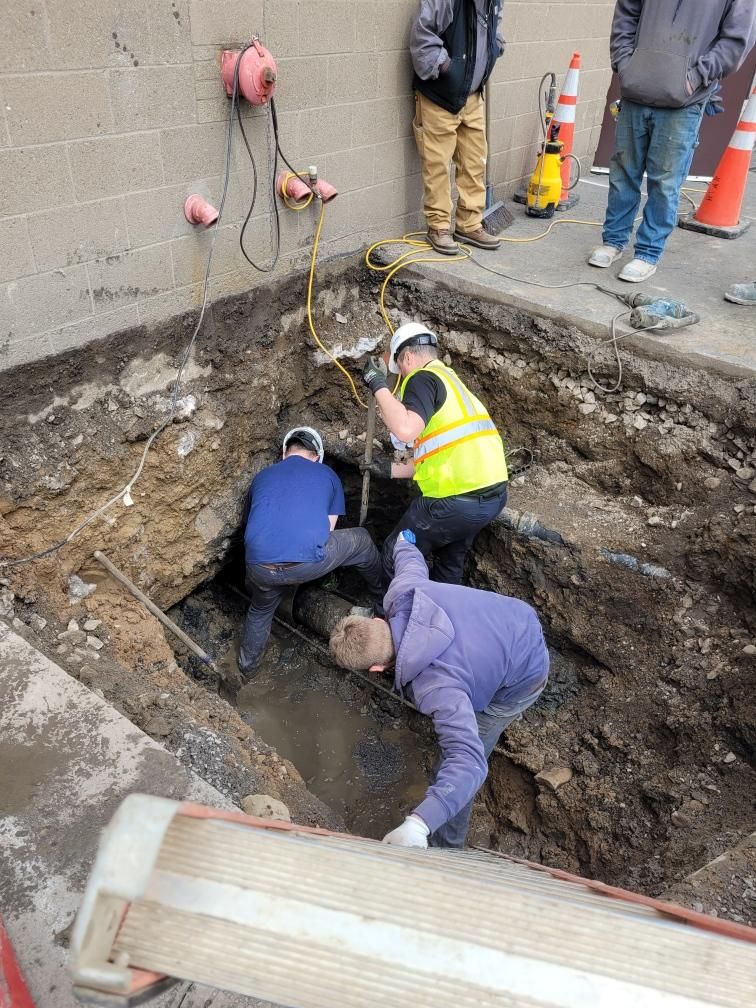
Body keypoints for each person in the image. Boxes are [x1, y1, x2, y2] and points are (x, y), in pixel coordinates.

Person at [329, 531, 549, 848]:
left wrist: (419, 823)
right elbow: (409, 561)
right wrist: (405, 541)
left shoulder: (438, 687)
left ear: (376, 669)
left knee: (457, 760)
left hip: (524, 676)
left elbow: (470, 763)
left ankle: (449, 845)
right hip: (515, 618)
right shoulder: (404, 592)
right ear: (377, 619)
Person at [588, 0, 756, 283]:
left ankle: (647, 253)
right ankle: (614, 241)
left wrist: (695, 78)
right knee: (622, 173)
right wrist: (624, 63)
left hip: (685, 101)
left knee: (665, 182)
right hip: (636, 90)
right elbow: (627, 13)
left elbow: (736, 39)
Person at [361, 322, 508, 584]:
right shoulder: (453, 385)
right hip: (492, 498)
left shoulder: (422, 378)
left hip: (455, 501)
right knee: (450, 560)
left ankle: (383, 619)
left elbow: (405, 429)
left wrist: (377, 383)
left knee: (396, 552)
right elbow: (440, 455)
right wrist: (389, 470)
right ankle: (442, 618)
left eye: (401, 369)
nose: (403, 376)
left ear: (407, 357)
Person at [239, 426, 383, 675]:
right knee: (360, 539)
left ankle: (245, 669)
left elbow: (257, 520)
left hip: (259, 567)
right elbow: (326, 532)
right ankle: (382, 593)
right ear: (318, 455)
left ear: (285, 452)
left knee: (260, 610)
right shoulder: (327, 474)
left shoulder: (262, 477)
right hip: (306, 563)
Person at [410, 0, 506, 255]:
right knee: (437, 164)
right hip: (440, 96)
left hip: (473, 96)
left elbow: (494, 32)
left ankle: (469, 224)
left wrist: (495, 50)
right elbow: (423, 36)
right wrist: (448, 69)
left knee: (475, 162)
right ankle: (439, 227)